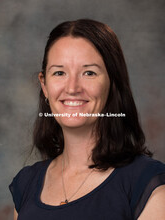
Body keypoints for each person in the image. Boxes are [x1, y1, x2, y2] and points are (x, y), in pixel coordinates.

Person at [9, 19, 165, 220]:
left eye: (89, 73)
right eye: (59, 73)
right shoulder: (25, 185)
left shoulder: (148, 185)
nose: (72, 88)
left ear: (113, 82)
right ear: (45, 85)